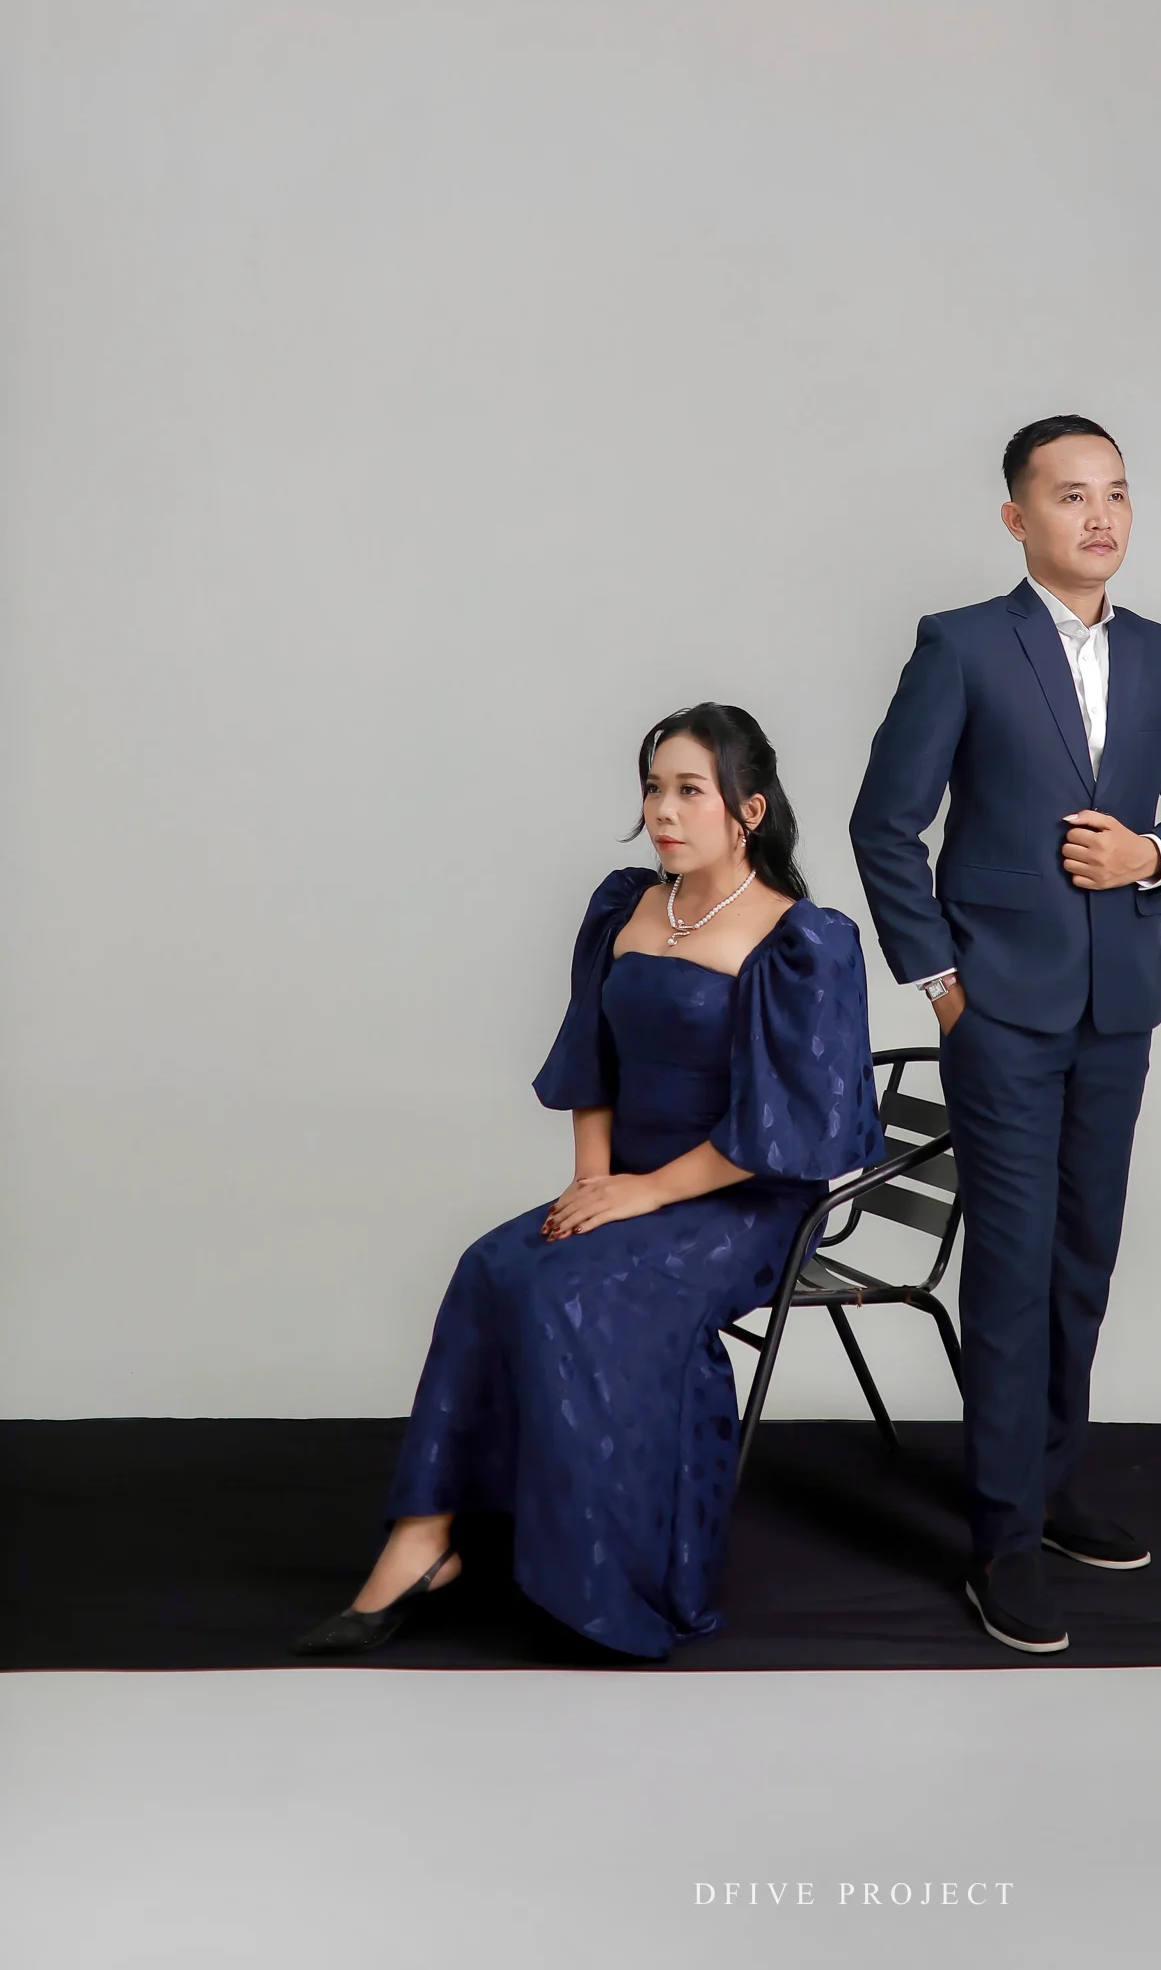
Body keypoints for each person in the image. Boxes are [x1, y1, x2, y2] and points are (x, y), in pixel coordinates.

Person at [296, 702, 884, 1662]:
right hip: (628, 1183)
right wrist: (594, 1183)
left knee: (571, 1292)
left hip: (748, 1201)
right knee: (492, 1265)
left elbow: (794, 1129)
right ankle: (424, 1539)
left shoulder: (802, 939)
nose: (662, 811)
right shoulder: (628, 906)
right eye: (652, 788)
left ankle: (604, 1572)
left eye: (689, 791)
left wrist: (644, 1197)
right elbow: (590, 1062)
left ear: (748, 809)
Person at [849, 415, 1161, 1655]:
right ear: (1018, 517)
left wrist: (1150, 854)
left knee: (1084, 1256)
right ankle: (1002, 1535)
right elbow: (883, 823)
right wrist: (942, 984)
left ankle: (1049, 1482)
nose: (1100, 514)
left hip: (1120, 1005)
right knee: (1012, 1266)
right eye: (1071, 495)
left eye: (1116, 491)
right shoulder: (963, 645)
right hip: (1001, 1012)